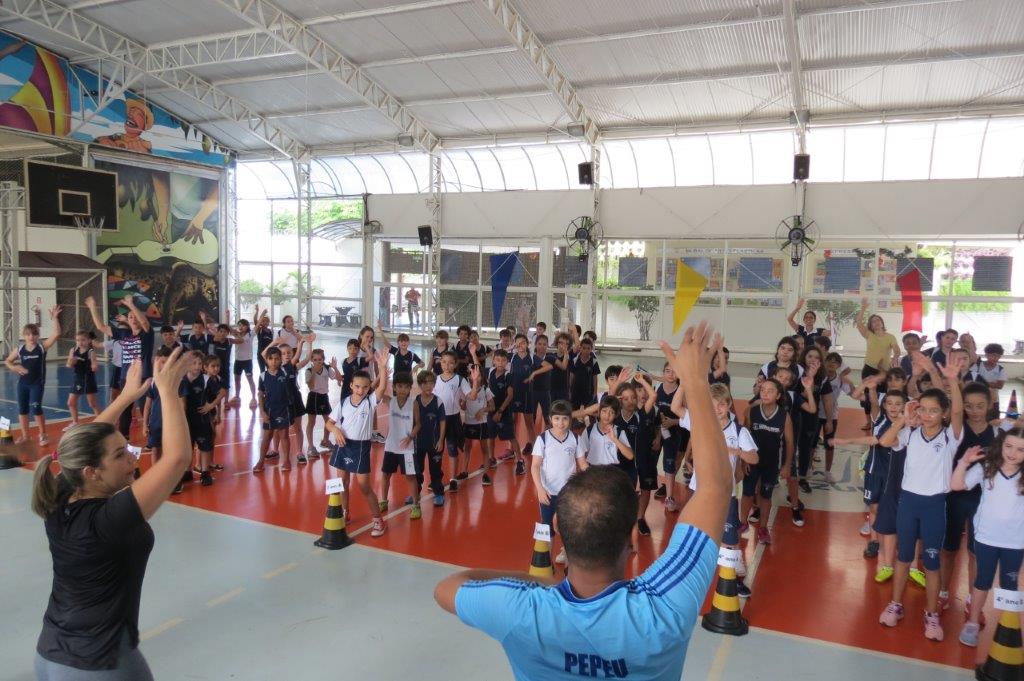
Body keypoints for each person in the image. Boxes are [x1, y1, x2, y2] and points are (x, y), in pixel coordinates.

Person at [433, 322, 730, 681]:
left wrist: (536, 585)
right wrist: (697, 383)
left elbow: (448, 587)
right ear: (628, 541)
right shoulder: (663, 607)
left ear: (559, 528)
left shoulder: (523, 611)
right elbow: (714, 488)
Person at [31, 351, 190, 680]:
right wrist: (169, 394)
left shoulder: (60, 495)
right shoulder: (108, 520)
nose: (132, 459)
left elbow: (88, 441)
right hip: (100, 663)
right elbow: (176, 459)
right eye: (121, 455)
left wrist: (128, 397)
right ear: (92, 472)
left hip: (49, 655)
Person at [878, 357, 963, 641]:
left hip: (934, 505)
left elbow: (959, 412)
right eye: (923, 409)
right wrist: (904, 418)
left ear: (944, 413)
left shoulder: (951, 437)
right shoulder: (910, 433)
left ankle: (931, 614)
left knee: (931, 561)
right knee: (903, 556)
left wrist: (951, 379)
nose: (927, 415)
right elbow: (884, 442)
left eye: (933, 411)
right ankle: (896, 604)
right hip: (909, 503)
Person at [951, 428, 1024, 646]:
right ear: (1001, 445)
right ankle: (972, 622)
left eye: (1021, 449)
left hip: (1015, 541)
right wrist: (963, 463)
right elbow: (956, 485)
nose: (1012, 453)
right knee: (982, 581)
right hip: (986, 538)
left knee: (1009, 584)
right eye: (1008, 446)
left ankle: (1008, 628)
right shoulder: (987, 468)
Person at [326, 352, 389, 535]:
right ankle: (344, 512)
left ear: (369, 388)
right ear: (351, 386)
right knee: (342, 482)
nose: (360, 390)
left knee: (364, 486)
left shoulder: (370, 402)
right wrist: (336, 430)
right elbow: (329, 423)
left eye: (365, 387)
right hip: (343, 445)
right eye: (357, 387)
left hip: (360, 447)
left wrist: (383, 368)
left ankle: (378, 520)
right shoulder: (344, 402)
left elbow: (382, 388)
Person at [85, 295, 152, 439]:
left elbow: (145, 323)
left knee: (147, 409)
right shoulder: (123, 334)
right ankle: (125, 437)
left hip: (143, 377)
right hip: (126, 378)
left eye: (136, 316)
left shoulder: (147, 334)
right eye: (130, 317)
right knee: (125, 409)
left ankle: (153, 439)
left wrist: (130, 305)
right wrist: (92, 308)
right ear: (127, 321)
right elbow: (101, 327)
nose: (133, 318)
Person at [530, 399, 587, 565]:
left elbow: (582, 463)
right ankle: (545, 559)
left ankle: (567, 555)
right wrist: (540, 489)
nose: (560, 423)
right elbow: (535, 466)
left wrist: (592, 475)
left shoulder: (575, 438)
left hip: (568, 492)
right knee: (547, 526)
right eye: (556, 419)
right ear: (550, 419)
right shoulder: (543, 439)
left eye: (565, 419)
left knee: (567, 526)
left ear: (570, 419)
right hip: (548, 492)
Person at [741, 379, 793, 545]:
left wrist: (786, 465)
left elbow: (790, 443)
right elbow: (744, 436)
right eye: (763, 389)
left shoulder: (784, 416)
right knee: (748, 492)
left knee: (765, 495)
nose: (765, 393)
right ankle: (742, 523)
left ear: (778, 395)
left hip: (771, 463)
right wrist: (743, 461)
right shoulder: (751, 411)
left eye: (770, 391)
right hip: (752, 461)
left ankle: (763, 528)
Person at [5, 307, 61, 445]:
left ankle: (43, 434)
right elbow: (7, 361)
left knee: (36, 408)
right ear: (24, 336)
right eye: (28, 334)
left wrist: (54, 318)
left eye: (34, 334)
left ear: (37, 335)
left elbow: (56, 333)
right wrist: (14, 367)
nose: (31, 337)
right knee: (22, 409)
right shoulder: (19, 349)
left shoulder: (42, 347)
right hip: (23, 384)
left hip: (37, 383)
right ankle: (25, 436)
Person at [855, 298, 900, 432]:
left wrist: (895, 357)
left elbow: (896, 349)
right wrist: (863, 308)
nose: (876, 323)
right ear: (871, 325)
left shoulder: (890, 336)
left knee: (882, 395)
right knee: (868, 396)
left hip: (884, 371)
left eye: (878, 320)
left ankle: (881, 419)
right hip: (869, 369)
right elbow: (858, 323)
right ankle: (869, 421)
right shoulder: (869, 335)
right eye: (873, 321)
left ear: (882, 323)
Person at [378, 370, 418, 515]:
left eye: (406, 387)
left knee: (410, 477)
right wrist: (381, 374)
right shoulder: (390, 401)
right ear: (394, 387)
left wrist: (410, 437)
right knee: (385, 474)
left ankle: (416, 505)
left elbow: (418, 424)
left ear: (410, 388)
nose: (403, 389)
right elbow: (378, 390)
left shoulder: (413, 404)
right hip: (391, 446)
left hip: (407, 448)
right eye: (399, 386)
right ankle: (383, 501)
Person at [253, 347, 293, 473]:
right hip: (269, 411)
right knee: (267, 437)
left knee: (284, 436)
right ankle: (261, 461)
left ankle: (286, 460)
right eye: (271, 359)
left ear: (281, 360)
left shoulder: (285, 372)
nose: (274, 361)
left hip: (283, 409)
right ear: (267, 360)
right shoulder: (263, 376)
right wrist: (262, 412)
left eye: (277, 359)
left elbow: (295, 359)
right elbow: (260, 395)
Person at [413, 370, 447, 507]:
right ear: (420, 385)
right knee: (417, 470)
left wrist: (440, 440)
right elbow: (413, 422)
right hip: (419, 443)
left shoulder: (438, 401)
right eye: (425, 383)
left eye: (431, 382)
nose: (428, 386)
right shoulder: (416, 400)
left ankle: (439, 493)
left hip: (434, 443)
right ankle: (415, 493)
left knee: (435, 470)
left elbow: (443, 422)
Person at [303, 349, 339, 459]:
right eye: (315, 360)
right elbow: (310, 386)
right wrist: (314, 371)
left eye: (320, 359)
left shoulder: (327, 369)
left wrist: (335, 367)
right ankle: (310, 446)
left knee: (329, 421)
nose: (318, 362)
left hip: (324, 397)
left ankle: (325, 441)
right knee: (311, 422)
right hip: (314, 396)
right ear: (311, 360)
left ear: (323, 360)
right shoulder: (309, 371)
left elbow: (338, 378)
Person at [65, 330, 100, 429]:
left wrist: (94, 366)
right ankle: (75, 422)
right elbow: (68, 365)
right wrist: (72, 362)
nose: (80, 342)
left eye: (83, 340)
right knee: (70, 402)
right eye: (78, 340)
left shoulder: (90, 352)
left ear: (89, 340)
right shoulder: (73, 350)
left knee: (92, 404)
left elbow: (95, 366)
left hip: (88, 379)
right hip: (77, 379)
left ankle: (102, 422)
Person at [230, 318, 257, 409]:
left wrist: (261, 314)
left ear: (247, 326)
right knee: (237, 380)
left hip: (247, 361)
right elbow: (227, 328)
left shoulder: (250, 334)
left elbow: (239, 341)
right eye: (239, 325)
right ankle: (237, 397)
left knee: (250, 380)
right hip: (238, 361)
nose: (241, 327)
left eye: (243, 325)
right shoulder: (236, 334)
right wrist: (227, 316)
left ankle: (253, 398)